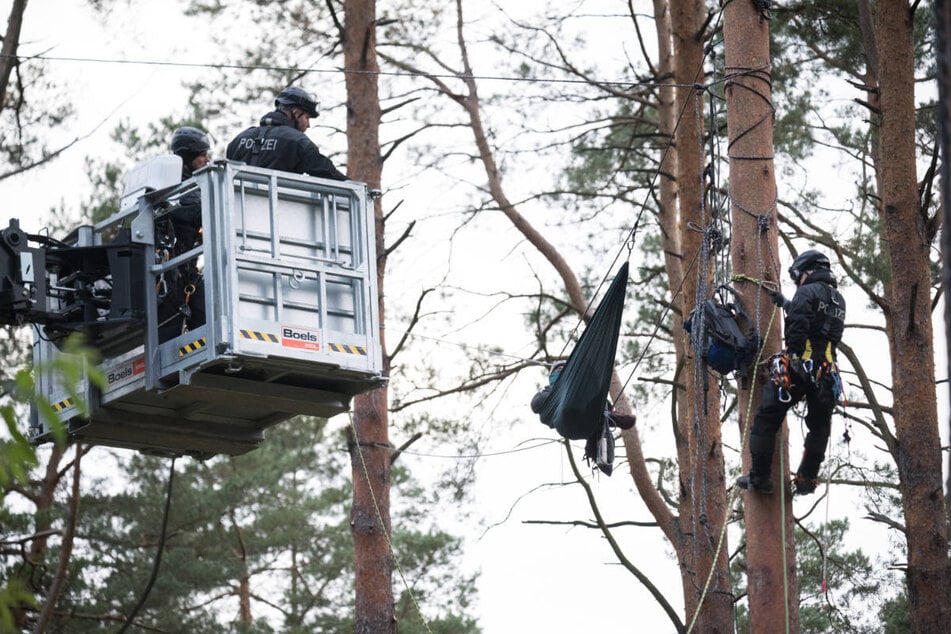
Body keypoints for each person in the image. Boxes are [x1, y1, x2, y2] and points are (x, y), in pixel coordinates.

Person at [737, 249, 846, 496]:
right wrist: (787, 304)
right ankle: (807, 478)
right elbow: (819, 324)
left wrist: (793, 356)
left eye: (799, 276)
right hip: (827, 375)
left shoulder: (806, 292)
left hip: (800, 369)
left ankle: (760, 478)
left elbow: (799, 327)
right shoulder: (839, 299)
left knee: (767, 417)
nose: (798, 281)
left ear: (809, 270)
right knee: (819, 427)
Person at [226, 85, 348, 180]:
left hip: (238, 210)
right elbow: (326, 172)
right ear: (296, 112)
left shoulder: (238, 140)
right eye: (307, 118)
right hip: (282, 210)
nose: (308, 125)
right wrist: (358, 189)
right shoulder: (298, 141)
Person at [157, 126, 210, 341]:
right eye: (202, 156)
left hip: (184, 272)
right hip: (174, 274)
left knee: (202, 314)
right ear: (188, 158)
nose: (207, 160)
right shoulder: (181, 187)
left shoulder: (189, 185)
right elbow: (200, 213)